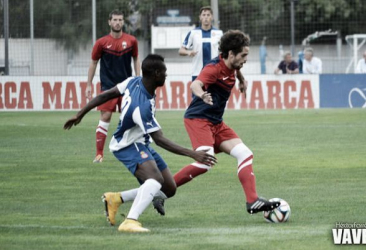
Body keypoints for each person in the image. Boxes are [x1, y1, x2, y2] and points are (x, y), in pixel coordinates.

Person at [64, 54, 216, 233]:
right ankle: (130, 221)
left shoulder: (133, 81)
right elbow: (160, 139)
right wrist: (193, 154)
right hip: (127, 145)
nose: (166, 76)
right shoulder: (141, 106)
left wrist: (80, 114)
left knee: (169, 187)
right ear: (156, 74)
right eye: (164, 72)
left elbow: (107, 94)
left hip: (140, 143)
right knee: (155, 180)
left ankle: (115, 199)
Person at [154, 30, 280, 216]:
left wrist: (242, 80)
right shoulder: (213, 68)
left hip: (216, 123)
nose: (245, 59)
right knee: (205, 163)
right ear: (230, 54)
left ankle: (252, 201)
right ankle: (160, 192)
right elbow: (195, 84)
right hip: (198, 119)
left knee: (245, 154)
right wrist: (201, 94)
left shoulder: (232, 64)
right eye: (243, 55)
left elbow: (236, 69)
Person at [86, 9, 140, 163]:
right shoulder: (101, 43)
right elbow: (93, 63)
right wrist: (88, 85)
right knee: (105, 116)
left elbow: (136, 59)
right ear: (109, 22)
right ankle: (99, 154)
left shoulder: (131, 41)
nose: (117, 22)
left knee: (130, 118)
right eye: (114, 20)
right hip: (108, 87)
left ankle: (129, 150)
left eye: (120, 20)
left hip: (127, 87)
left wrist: (138, 79)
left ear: (123, 22)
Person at [179, 6, 246, 83]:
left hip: (215, 72)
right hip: (197, 73)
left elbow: (226, 52)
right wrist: (188, 52)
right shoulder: (193, 33)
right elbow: (181, 50)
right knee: (198, 94)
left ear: (212, 17)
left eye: (208, 15)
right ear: (200, 17)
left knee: (214, 95)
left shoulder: (219, 33)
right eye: (204, 15)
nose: (206, 17)